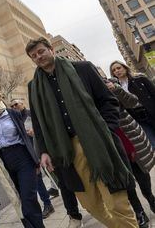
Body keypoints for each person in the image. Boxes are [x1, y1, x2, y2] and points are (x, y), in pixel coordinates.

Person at [26, 37, 137, 228]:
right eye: (34, 55)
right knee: (91, 205)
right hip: (67, 151)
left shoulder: (83, 68)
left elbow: (108, 101)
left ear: (51, 49)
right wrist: (43, 150)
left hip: (98, 142)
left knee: (116, 201)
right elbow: (38, 122)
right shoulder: (34, 87)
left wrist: (106, 130)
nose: (38, 57)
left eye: (41, 51)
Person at [0, 85, 44, 228]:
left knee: (28, 199)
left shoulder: (13, 113)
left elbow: (25, 136)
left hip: (23, 158)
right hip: (3, 162)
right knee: (18, 200)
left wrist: (36, 160)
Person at [105, 78, 155, 217]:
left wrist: (116, 88)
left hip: (129, 137)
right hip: (110, 141)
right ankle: (139, 211)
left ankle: (150, 197)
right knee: (125, 179)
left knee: (141, 172)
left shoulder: (109, 84)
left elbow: (132, 102)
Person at [10, 99, 55, 219]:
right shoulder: (14, 118)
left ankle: (49, 201)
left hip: (39, 148)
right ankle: (47, 203)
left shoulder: (30, 113)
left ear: (22, 103)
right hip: (27, 152)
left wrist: (35, 132)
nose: (14, 106)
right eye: (12, 105)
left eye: (16, 104)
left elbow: (43, 126)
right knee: (37, 178)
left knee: (44, 175)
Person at [110, 60, 155, 147]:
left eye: (119, 68)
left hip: (151, 111)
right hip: (137, 118)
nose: (117, 71)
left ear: (125, 68)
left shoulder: (140, 78)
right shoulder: (116, 88)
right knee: (152, 142)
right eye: (114, 70)